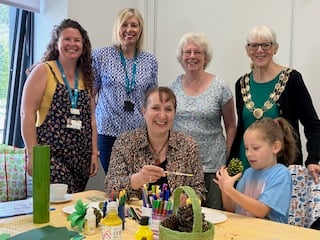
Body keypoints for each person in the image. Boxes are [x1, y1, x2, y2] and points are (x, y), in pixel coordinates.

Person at [229, 24, 320, 183]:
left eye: (266, 45)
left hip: (280, 170)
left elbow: (314, 126)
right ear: (247, 50)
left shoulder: (292, 80)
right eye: (254, 46)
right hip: (245, 168)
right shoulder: (241, 84)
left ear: (275, 48)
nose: (260, 50)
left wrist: (313, 159)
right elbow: (241, 128)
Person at [21, 19, 99, 193]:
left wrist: (94, 153)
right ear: (56, 43)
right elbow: (26, 114)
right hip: (50, 156)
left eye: (77, 40)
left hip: (81, 157)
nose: (72, 44)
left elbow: (92, 120)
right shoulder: (43, 71)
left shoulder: (87, 77)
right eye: (67, 39)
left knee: (73, 209)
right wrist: (32, 154)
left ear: (83, 45)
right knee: (59, 203)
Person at [168, 32, 237, 209]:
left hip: (213, 165)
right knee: (182, 214)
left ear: (205, 57)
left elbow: (231, 125)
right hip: (181, 166)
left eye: (197, 52)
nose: (192, 56)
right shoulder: (171, 88)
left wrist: (228, 156)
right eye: (187, 52)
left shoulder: (220, 87)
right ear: (181, 57)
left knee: (215, 214)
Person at [105, 87, 206, 201]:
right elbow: (110, 188)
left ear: (174, 113)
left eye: (168, 109)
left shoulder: (188, 146)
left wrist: (185, 199)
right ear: (144, 112)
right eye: (155, 108)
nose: (162, 116)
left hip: (175, 217)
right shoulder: (125, 142)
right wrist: (138, 179)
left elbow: (200, 191)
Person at [92, 8, 158, 175]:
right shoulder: (101, 56)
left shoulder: (150, 61)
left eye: (134, 25)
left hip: (137, 132)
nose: (129, 29)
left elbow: (152, 100)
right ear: (117, 28)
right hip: (107, 130)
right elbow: (90, 94)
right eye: (124, 25)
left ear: (140, 29)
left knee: (136, 181)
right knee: (116, 179)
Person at [215, 117, 297, 223]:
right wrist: (225, 189)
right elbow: (231, 208)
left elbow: (261, 210)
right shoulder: (248, 173)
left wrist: (230, 190)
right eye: (246, 148)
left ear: (275, 147)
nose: (248, 154)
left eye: (255, 148)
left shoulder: (281, 174)